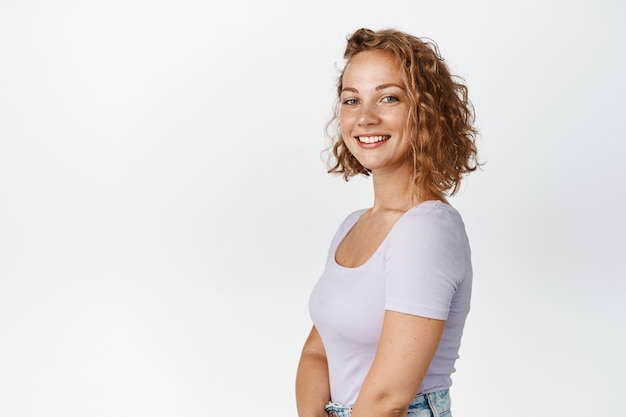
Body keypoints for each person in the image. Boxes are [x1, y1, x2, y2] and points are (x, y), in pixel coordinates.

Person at [295, 28, 479, 417]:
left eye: (389, 97)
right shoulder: (352, 225)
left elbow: (388, 399)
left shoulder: (427, 230)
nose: (364, 117)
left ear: (427, 110)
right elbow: (318, 350)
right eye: (351, 100)